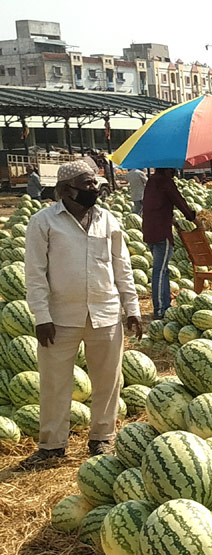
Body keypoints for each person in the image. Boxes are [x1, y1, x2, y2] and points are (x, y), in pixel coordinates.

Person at [19, 159, 142, 468]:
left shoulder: (108, 220)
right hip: (60, 317)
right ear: (67, 189)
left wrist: (133, 308)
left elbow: (121, 267)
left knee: (107, 380)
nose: (94, 188)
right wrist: (41, 316)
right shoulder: (44, 222)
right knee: (54, 383)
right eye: (88, 183)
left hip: (106, 312)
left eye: (95, 183)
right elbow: (35, 273)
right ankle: (52, 445)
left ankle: (102, 437)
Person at [142, 168, 197, 321]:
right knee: (160, 271)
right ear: (167, 169)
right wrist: (194, 219)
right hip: (161, 234)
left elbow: (155, 207)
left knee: (162, 271)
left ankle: (165, 305)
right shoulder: (165, 182)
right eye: (172, 169)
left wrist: (172, 220)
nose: (174, 172)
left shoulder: (151, 182)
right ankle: (160, 308)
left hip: (149, 231)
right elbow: (179, 201)